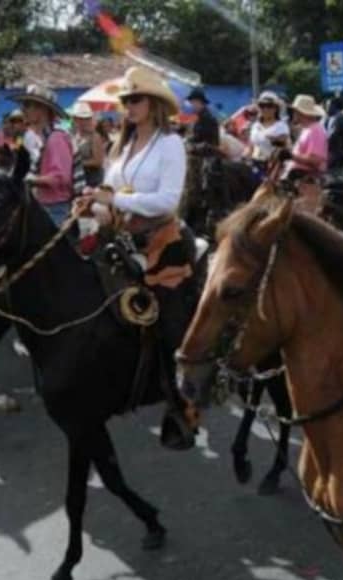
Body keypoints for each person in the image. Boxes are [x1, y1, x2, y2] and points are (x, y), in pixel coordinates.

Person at [84, 66, 195, 442]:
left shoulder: (170, 144)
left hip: (160, 242)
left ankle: (180, 402)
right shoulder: (122, 144)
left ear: (154, 104)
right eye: (126, 100)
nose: (128, 106)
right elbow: (110, 192)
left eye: (135, 99)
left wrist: (113, 198)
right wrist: (93, 204)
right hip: (118, 239)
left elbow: (168, 200)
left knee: (168, 321)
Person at [10, 84, 82, 227]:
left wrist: (28, 179)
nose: (23, 109)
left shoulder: (56, 138)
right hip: (47, 206)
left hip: (55, 209)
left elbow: (60, 178)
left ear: (42, 110)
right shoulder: (45, 137)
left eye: (28, 105)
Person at [245, 90, 290, 166]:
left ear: (276, 108)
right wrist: (244, 158)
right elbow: (251, 147)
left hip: (271, 166)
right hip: (253, 163)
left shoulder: (281, 126)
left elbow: (284, 148)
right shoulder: (255, 126)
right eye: (262, 106)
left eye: (269, 106)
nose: (265, 109)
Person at [70, 101, 106, 187]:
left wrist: (76, 163)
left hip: (93, 180)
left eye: (87, 118)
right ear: (75, 119)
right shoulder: (73, 136)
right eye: (81, 118)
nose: (84, 122)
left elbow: (98, 161)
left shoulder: (95, 137)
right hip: (77, 179)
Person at [186, 87, 220, 151]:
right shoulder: (200, 118)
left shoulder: (208, 118)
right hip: (201, 154)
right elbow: (199, 136)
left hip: (208, 158)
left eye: (192, 102)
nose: (191, 105)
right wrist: (188, 139)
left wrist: (193, 147)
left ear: (199, 102)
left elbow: (211, 143)